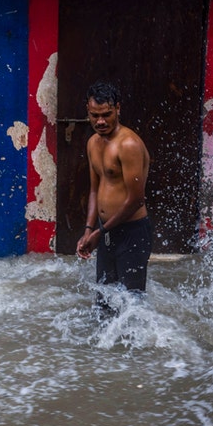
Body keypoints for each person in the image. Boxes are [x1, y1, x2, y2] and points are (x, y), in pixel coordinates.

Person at [75, 81, 154, 307]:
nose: (100, 121)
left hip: (132, 233)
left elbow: (136, 199)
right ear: (88, 112)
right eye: (94, 115)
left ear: (118, 109)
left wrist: (100, 232)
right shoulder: (93, 143)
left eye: (107, 114)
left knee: (133, 304)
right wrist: (89, 230)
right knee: (104, 301)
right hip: (105, 231)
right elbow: (94, 189)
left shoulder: (128, 144)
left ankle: (141, 343)